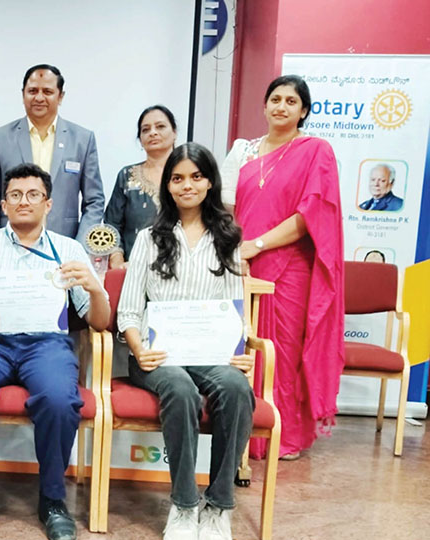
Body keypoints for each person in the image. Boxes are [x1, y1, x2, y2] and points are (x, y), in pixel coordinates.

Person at [0, 163, 110, 540]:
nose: (23, 202)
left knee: (58, 399)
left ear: (48, 204)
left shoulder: (69, 250)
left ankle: (53, 500)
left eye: (33, 195)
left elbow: (98, 322)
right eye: (15, 195)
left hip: (46, 344)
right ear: (3, 204)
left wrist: (95, 288)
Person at [118, 142, 253, 540]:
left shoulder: (229, 238)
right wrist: (139, 349)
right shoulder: (149, 238)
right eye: (177, 178)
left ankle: (218, 505)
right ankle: (184, 504)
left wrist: (239, 351)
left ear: (210, 182)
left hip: (212, 355)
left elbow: (236, 310)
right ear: (168, 186)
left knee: (236, 387)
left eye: (196, 177)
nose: (187, 185)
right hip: (157, 356)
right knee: (179, 388)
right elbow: (128, 311)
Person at [220, 75, 344, 460]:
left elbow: (310, 216)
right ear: (264, 105)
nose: (281, 107)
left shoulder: (315, 151)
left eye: (291, 101)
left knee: (282, 352)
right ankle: (242, 431)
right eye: (275, 99)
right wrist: (235, 250)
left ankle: (282, 434)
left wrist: (256, 245)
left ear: (304, 111)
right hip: (242, 264)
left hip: (289, 267)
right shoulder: (244, 151)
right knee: (243, 348)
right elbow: (226, 208)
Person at [0, 64, 104, 244]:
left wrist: (79, 247)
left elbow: (94, 201)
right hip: (9, 243)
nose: (39, 98)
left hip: (64, 244)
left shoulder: (82, 139)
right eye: (32, 91)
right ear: (23, 95)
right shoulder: (0, 138)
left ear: (60, 96)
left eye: (47, 92)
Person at [104, 105, 178, 268]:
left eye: (160, 126)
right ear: (140, 139)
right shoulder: (127, 176)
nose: (153, 133)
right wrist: (117, 260)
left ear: (174, 133)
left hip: (180, 267)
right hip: (132, 268)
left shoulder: (188, 176)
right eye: (145, 129)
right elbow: (112, 225)